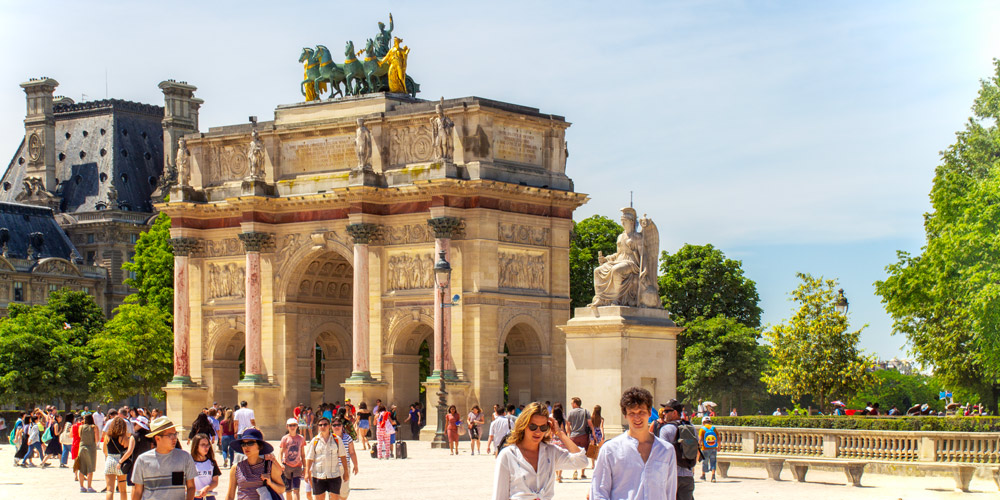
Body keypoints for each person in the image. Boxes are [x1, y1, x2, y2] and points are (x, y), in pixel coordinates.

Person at [591, 387, 677, 500]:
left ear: (650, 412)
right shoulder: (610, 450)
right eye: (632, 413)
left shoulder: (666, 450)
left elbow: (670, 492)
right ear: (625, 415)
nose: (637, 417)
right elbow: (599, 492)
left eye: (641, 412)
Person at [492, 402, 588, 500]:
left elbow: (582, 461)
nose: (538, 432)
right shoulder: (508, 455)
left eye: (543, 427)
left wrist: (560, 433)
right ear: (523, 425)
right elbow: (499, 496)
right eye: (533, 426)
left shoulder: (550, 452)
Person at [131, 417, 198, 500]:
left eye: (175, 434)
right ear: (157, 438)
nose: (174, 438)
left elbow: (191, 487)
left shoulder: (185, 457)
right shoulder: (142, 460)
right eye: (170, 435)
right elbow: (138, 491)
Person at [225, 427, 285, 500]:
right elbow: (230, 496)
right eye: (243, 444)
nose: (246, 447)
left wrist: (270, 483)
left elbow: (282, 489)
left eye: (250, 443)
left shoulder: (269, 466)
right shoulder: (236, 468)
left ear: (259, 446)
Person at [304, 417, 349, 500]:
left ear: (329, 426)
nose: (322, 426)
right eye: (320, 425)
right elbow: (309, 458)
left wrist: (346, 472)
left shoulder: (337, 440)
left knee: (334, 498)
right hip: (318, 475)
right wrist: (307, 472)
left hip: (334, 474)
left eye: (325, 424)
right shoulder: (315, 441)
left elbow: (343, 456)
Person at [658, 399, 695, 500]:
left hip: (672, 477)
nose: (664, 413)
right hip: (688, 476)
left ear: (674, 412)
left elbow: (663, 454)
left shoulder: (666, 429)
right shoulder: (691, 427)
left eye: (666, 411)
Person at [566, 397, 594, 480]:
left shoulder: (570, 412)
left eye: (572, 403)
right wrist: (593, 433)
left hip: (573, 436)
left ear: (575, 404)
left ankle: (575, 470)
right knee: (583, 454)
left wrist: (569, 435)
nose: (571, 404)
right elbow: (590, 424)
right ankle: (582, 473)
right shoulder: (586, 411)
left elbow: (568, 425)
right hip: (583, 435)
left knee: (574, 454)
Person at [103, 417, 130, 500]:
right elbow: (127, 451)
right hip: (121, 462)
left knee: (110, 490)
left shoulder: (107, 436)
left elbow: (105, 450)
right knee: (123, 490)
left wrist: (109, 457)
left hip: (110, 460)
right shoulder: (124, 437)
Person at [281, 418, 307, 500]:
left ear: (297, 426)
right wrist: (280, 463)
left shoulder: (301, 438)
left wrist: (305, 467)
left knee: (296, 490)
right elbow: (280, 452)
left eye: (294, 425)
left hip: (297, 467)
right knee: (288, 491)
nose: (292, 427)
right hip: (287, 466)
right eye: (290, 425)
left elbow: (303, 454)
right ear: (287, 427)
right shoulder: (285, 438)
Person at [190, 433, 221, 500]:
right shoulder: (188, 462)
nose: (206, 447)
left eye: (207, 445)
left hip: (208, 496)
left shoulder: (212, 463)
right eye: (203, 445)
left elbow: (215, 481)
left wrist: (207, 488)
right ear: (196, 446)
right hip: (193, 497)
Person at [335, 417, 359, 499]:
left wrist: (356, 465)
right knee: (333, 492)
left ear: (342, 426)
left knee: (344, 491)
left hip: (344, 467)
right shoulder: (329, 438)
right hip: (332, 468)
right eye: (334, 425)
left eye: (338, 425)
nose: (336, 427)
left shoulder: (347, 438)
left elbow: (352, 452)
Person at [78, 414, 99, 493]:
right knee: (90, 468)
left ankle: (81, 486)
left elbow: (80, 436)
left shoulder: (81, 427)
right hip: (91, 448)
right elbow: (97, 439)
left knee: (82, 467)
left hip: (82, 447)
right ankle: (89, 486)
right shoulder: (94, 427)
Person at [698, 416, 718, 482]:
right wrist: (719, 446)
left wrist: (698, 447)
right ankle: (713, 476)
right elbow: (718, 437)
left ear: (703, 422)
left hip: (705, 448)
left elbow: (700, 439)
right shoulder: (714, 428)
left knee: (705, 462)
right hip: (713, 447)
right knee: (713, 461)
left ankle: (703, 475)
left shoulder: (702, 429)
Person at [589, 405, 606, 471]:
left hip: (593, 433)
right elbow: (601, 427)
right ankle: (599, 463)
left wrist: (593, 433)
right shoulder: (601, 419)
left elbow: (591, 427)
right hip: (599, 432)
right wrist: (603, 435)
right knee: (600, 449)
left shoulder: (591, 418)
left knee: (592, 448)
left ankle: (593, 464)